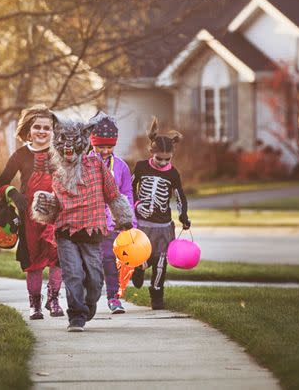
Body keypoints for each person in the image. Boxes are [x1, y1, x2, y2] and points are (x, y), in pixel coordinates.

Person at [30, 114, 134, 332]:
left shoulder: (96, 165)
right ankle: (76, 316)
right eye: (63, 145)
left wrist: (124, 219)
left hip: (93, 230)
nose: (68, 151)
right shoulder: (56, 169)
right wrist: (45, 205)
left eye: (73, 145)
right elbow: (57, 202)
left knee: (95, 280)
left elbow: (113, 194)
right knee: (73, 274)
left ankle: (88, 305)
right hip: (66, 231)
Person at [0, 104, 63, 320]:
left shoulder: (59, 152)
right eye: (37, 127)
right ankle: (35, 304)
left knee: (58, 259)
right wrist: (13, 193)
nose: (42, 132)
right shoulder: (20, 155)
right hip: (29, 217)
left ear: (53, 130)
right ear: (29, 129)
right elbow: (2, 181)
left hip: (56, 215)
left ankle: (53, 300)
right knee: (32, 262)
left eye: (47, 128)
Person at [131, 118, 191, 310]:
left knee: (160, 261)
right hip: (142, 223)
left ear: (172, 156)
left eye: (167, 159)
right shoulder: (141, 167)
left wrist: (183, 217)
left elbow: (180, 196)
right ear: (151, 152)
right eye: (159, 159)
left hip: (163, 226)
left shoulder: (173, 174)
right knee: (142, 256)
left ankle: (157, 294)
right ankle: (138, 269)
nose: (163, 162)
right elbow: (129, 188)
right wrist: (136, 204)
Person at [89, 114, 136, 314]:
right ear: (92, 143)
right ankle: (89, 299)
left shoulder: (121, 166)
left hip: (112, 225)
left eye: (109, 146)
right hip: (90, 223)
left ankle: (113, 298)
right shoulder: (85, 163)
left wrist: (129, 220)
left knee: (110, 262)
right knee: (91, 266)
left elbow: (127, 194)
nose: (105, 151)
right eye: (100, 146)